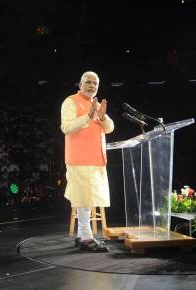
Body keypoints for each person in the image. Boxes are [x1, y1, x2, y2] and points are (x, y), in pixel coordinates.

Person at [60, 71, 114, 252]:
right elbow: (66, 127)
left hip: (97, 159)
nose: (92, 85)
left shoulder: (96, 104)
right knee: (84, 197)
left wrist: (102, 116)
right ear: (80, 84)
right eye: (88, 82)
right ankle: (86, 237)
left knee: (89, 198)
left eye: (95, 83)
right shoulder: (70, 101)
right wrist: (88, 117)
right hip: (79, 159)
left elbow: (109, 128)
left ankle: (82, 235)